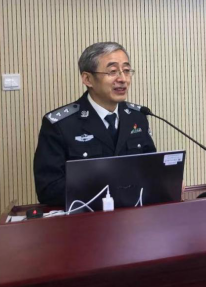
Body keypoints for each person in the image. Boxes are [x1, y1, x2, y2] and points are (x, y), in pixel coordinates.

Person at [33, 42, 156, 206]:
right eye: (112, 71)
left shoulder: (137, 117)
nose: (123, 79)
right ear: (88, 79)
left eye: (126, 70)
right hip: (86, 216)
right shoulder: (60, 125)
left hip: (134, 214)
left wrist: (166, 180)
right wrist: (109, 190)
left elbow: (151, 168)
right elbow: (48, 188)